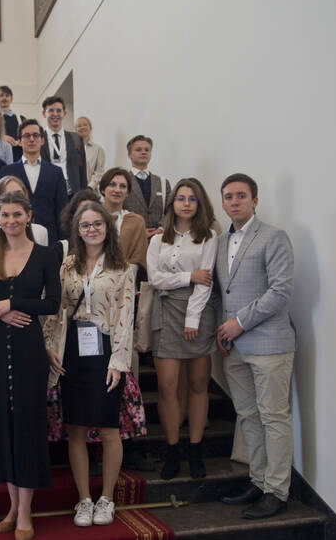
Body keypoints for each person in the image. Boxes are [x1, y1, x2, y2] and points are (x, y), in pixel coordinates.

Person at [0, 191, 60, 540]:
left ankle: (25, 512)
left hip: (29, 350)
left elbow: (52, 303)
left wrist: (12, 303)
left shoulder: (45, 255)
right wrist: (0, 313)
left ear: (29, 216)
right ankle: (12, 507)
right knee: (2, 426)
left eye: (17, 214)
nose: (10, 221)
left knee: (27, 426)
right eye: (4, 215)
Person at [45, 201, 135, 528]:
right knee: (77, 428)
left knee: (109, 428)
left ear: (107, 228)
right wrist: (49, 346)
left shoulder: (123, 268)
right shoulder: (68, 265)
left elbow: (126, 316)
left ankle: (106, 498)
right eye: (85, 225)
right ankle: (84, 499)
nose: (92, 229)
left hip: (105, 350)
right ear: (78, 230)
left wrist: (118, 361)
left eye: (97, 223)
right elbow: (57, 308)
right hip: (72, 349)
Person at [215, 173, 295, 520]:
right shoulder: (220, 241)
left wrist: (240, 322)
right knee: (248, 416)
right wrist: (223, 331)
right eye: (228, 197)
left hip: (269, 344)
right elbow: (225, 292)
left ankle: (277, 491)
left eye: (241, 196)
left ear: (255, 201)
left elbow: (280, 291)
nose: (234, 202)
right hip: (234, 348)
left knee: (273, 417)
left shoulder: (274, 237)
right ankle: (259, 481)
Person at [146, 178, 218, 479]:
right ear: (172, 203)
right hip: (165, 311)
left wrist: (192, 319)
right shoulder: (157, 240)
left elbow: (206, 281)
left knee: (199, 384)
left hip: (197, 312)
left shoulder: (209, 237)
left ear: (200, 204)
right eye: (181, 198)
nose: (186, 204)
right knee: (167, 386)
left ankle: (196, 449)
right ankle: (173, 449)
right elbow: (155, 279)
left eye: (192, 199)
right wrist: (189, 276)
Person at [97, 168, 151, 470]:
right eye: (112, 184)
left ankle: (127, 442)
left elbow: (137, 262)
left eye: (122, 186)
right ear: (103, 188)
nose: (117, 189)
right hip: (93, 306)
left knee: (126, 372)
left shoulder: (135, 221)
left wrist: (113, 281)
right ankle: (95, 444)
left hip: (123, 302)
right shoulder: (90, 214)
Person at [0, 119, 68, 245]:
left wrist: (63, 242)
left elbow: (62, 210)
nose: (31, 139)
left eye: (35, 135)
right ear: (19, 141)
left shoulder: (56, 172)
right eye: (26, 136)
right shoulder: (7, 171)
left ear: (42, 140)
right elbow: (1, 207)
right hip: (15, 237)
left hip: (49, 238)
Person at [122, 135, 171, 238]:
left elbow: (170, 210)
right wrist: (137, 230)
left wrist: (161, 228)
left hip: (159, 238)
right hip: (132, 238)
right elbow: (118, 211)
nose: (143, 152)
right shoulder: (122, 181)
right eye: (138, 149)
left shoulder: (162, 183)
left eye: (147, 150)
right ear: (129, 155)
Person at [39, 96, 87, 195]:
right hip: (48, 193)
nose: (55, 114)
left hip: (72, 194)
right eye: (51, 110)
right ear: (44, 114)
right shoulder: (38, 139)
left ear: (64, 113)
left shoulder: (76, 138)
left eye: (58, 110)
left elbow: (82, 171)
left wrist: (84, 195)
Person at [0, 85, 25, 161]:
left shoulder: (20, 118)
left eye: (7, 95)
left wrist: (21, 141)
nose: (4, 98)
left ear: (11, 99)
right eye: (1, 95)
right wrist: (1, 137)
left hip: (17, 157)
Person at [75, 117, 106, 190]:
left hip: (91, 190)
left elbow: (99, 172)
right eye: (79, 126)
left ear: (90, 127)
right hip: (73, 190)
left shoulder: (98, 149)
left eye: (85, 125)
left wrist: (90, 187)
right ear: (75, 130)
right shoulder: (70, 149)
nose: (82, 127)